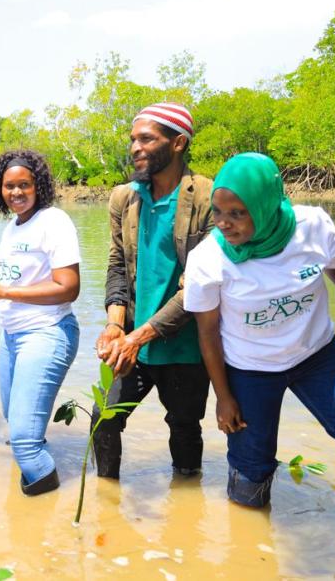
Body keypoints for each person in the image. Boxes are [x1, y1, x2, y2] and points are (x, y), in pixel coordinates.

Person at [184, 152, 335, 515]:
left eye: (237, 213)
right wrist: (223, 397)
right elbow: (208, 334)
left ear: (266, 204)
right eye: (218, 212)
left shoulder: (312, 225)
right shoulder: (207, 259)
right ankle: (250, 547)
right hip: (250, 368)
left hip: (317, 355)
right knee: (251, 468)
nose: (224, 224)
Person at [94, 102, 213, 479]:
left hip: (186, 345)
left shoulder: (209, 198)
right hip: (132, 339)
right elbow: (117, 265)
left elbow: (198, 287)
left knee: (184, 429)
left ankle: (186, 509)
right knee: (103, 419)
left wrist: (138, 337)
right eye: (133, 139)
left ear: (178, 143)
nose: (135, 147)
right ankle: (107, 504)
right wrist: (116, 325)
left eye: (147, 139)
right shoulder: (123, 198)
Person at [0, 149, 80, 496]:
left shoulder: (53, 221)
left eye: (24, 185)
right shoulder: (11, 228)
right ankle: (36, 516)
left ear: (39, 186)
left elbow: (68, 288)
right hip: (13, 337)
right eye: (8, 186)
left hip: (47, 333)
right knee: (16, 423)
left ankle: (45, 524)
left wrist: (4, 292)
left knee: (24, 443)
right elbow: (16, 283)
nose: (16, 192)